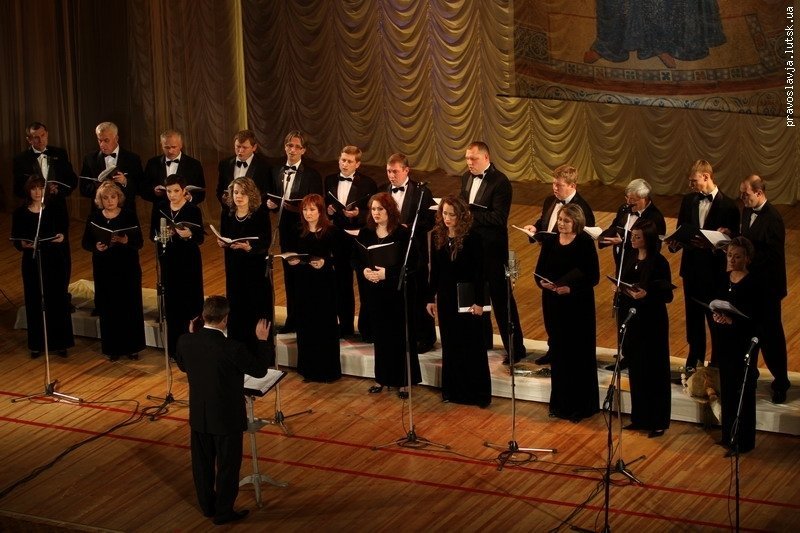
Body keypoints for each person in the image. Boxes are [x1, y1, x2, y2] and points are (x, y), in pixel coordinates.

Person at [175, 295, 272, 525]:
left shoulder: (185, 341)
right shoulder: (232, 348)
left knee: (202, 466)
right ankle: (223, 512)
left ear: (203, 316)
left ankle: (207, 507)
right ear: (225, 319)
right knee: (227, 467)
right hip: (227, 418)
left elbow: (183, 365)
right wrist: (262, 341)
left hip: (200, 416)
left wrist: (191, 335)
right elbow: (259, 370)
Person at [667, 160, 739, 372]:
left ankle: (717, 363)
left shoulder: (729, 206)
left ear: (706, 177)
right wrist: (675, 243)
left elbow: (735, 243)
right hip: (691, 270)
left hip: (715, 272)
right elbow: (681, 229)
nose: (690, 185)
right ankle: (694, 359)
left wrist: (717, 243)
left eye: (693, 181)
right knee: (693, 319)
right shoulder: (688, 200)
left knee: (715, 318)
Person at [459, 141, 526, 364]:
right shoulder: (466, 177)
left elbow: (498, 218)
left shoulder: (501, 182)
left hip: (492, 251)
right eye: (467, 159)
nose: (469, 163)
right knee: (476, 297)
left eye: (474, 159)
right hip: (471, 247)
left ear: (486, 158)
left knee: (501, 300)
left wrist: (469, 215)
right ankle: (481, 341)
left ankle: (515, 348)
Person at [523, 163, 595, 365]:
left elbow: (586, 254)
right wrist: (535, 228)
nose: (554, 188)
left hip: (570, 271)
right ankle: (553, 349)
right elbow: (544, 222)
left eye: (559, 185)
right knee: (551, 317)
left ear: (572, 185)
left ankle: (567, 354)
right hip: (551, 262)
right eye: (553, 184)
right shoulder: (550, 201)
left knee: (570, 324)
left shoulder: (583, 209)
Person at [534, 203, 600, 422]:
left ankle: (581, 407)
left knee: (578, 355)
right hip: (554, 303)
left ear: (576, 222)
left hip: (578, 307)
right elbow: (539, 271)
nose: (561, 224)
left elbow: (593, 277)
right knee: (559, 354)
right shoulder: (550, 241)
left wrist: (571, 288)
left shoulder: (584, 243)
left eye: (566, 221)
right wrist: (542, 283)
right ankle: (560, 404)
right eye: (560, 219)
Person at [353, 192, 420, 398]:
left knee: (399, 337)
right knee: (380, 337)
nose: (376, 213)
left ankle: (404, 381)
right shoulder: (366, 232)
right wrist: (364, 271)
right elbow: (357, 259)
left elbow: (413, 264)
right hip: (375, 291)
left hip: (396, 292)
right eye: (373, 209)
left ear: (389, 210)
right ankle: (381, 378)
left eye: (380, 209)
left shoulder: (402, 234)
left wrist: (387, 273)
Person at [426, 196, 491, 407]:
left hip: (467, 298)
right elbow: (435, 271)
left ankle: (477, 394)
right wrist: (430, 297)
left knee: (472, 345)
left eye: (452, 214)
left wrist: (480, 302)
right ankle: (453, 391)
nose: (447, 218)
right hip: (446, 298)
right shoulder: (438, 235)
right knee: (451, 345)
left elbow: (480, 273)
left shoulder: (474, 238)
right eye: (444, 213)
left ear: (461, 216)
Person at [616, 220, 674, 438]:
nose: (632, 239)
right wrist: (619, 287)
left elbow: (667, 295)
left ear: (648, 239)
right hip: (633, 319)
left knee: (655, 371)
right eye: (632, 235)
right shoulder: (629, 257)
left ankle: (658, 421)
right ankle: (640, 417)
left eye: (637, 236)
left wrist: (647, 294)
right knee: (637, 370)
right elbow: (624, 280)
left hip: (652, 322)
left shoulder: (659, 262)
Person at [739, 175, 790, 404]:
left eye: (746, 194)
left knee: (771, 338)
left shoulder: (773, 218)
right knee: (748, 334)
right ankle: (750, 376)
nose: (742, 198)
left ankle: (781, 383)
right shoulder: (746, 211)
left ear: (759, 193)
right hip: (749, 286)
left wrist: (746, 260)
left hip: (768, 288)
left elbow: (773, 257)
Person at [265, 131, 323, 334]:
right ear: (285, 147)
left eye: (297, 147)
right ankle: (292, 319)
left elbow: (317, 203)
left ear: (303, 150)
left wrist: (299, 208)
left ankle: (309, 318)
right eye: (289, 145)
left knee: (306, 275)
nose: (292, 150)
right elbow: (272, 197)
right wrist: (272, 204)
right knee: (290, 275)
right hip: (286, 230)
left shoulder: (312, 174)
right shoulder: (276, 171)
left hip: (306, 230)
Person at [11, 176, 74, 358]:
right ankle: (37, 344)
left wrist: (61, 238)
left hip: (54, 259)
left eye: (40, 188)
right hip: (32, 260)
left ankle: (60, 343)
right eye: (34, 188)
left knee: (57, 299)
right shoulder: (20, 213)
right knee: (34, 301)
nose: (37, 192)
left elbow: (63, 231)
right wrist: (23, 244)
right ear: (28, 190)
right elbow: (16, 238)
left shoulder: (55, 209)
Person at [81, 181, 145, 361]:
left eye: (113, 197)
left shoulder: (129, 215)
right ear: (100, 200)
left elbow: (139, 242)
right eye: (105, 198)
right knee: (109, 308)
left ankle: (133, 348)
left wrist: (126, 241)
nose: (110, 201)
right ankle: (113, 348)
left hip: (127, 268)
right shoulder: (94, 217)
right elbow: (85, 242)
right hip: (104, 268)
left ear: (119, 198)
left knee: (130, 306)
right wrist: (96, 246)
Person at [383, 153, 436, 353]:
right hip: (393, 253)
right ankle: (402, 335)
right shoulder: (384, 190)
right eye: (389, 171)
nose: (391, 175)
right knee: (397, 297)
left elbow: (430, 220)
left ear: (406, 170)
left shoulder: (422, 192)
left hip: (416, 253)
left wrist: (409, 227)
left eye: (395, 171)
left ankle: (425, 337)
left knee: (420, 295)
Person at [711, 237, 760, 454]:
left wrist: (734, 321)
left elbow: (758, 319)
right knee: (728, 389)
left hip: (744, 344)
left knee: (743, 392)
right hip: (725, 342)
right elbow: (716, 302)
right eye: (729, 255)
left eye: (737, 256)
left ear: (747, 259)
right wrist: (716, 315)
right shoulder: (723, 279)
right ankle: (728, 435)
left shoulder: (754, 283)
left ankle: (743, 440)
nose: (731, 260)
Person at [284, 194, 341, 382]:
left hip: (324, 284)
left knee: (323, 326)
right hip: (303, 282)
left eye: (312, 209)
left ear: (320, 211)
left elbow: (340, 258)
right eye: (305, 209)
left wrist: (325, 262)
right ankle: (308, 370)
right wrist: (292, 260)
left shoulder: (331, 231)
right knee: (306, 325)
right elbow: (292, 253)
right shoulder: (297, 230)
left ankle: (327, 371)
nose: (308, 213)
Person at [324, 145, 377, 340]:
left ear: (358, 164)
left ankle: (367, 328)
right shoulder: (330, 180)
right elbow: (325, 203)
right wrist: (328, 210)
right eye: (343, 160)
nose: (345, 164)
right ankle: (345, 326)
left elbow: (372, 211)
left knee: (364, 283)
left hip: (360, 238)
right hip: (339, 237)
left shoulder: (368, 183)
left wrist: (358, 214)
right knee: (341, 283)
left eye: (349, 161)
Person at [150, 175, 205, 356]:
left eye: (176, 191)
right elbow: (152, 234)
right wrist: (162, 235)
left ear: (183, 191)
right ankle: (175, 349)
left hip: (188, 260)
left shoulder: (192, 210)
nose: (172, 195)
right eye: (169, 191)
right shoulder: (160, 208)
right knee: (172, 303)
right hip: (168, 259)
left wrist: (189, 234)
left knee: (190, 301)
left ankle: (193, 349)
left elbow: (200, 238)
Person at [217, 177, 273, 355]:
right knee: (236, 307)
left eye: (243, 193)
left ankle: (259, 352)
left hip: (255, 270)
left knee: (255, 307)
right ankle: (238, 352)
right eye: (235, 192)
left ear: (251, 194)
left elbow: (265, 242)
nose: (239, 196)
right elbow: (225, 236)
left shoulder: (260, 214)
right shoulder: (227, 214)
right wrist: (223, 242)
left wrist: (249, 247)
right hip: (235, 268)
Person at [599, 178, 666, 268]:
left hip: (639, 265)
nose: (628, 202)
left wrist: (623, 242)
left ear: (644, 198)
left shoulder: (655, 218)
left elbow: (653, 247)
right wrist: (602, 237)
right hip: (620, 259)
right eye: (627, 198)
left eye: (633, 199)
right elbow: (614, 227)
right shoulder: (624, 209)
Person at [80, 121, 144, 214]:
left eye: (106, 140)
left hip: (126, 213)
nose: (102, 145)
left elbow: (141, 188)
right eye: (99, 140)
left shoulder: (133, 159)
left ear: (116, 138)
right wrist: (99, 187)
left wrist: (125, 182)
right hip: (99, 214)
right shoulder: (89, 159)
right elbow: (83, 189)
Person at [142, 129, 206, 210]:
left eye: (174, 147)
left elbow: (201, 193)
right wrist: (154, 192)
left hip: (186, 212)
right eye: (167, 147)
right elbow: (143, 190)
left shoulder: (194, 164)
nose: (170, 151)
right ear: (161, 145)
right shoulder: (152, 163)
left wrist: (190, 198)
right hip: (160, 212)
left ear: (181, 145)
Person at [216, 129, 271, 209]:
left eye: (245, 147)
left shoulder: (264, 166)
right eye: (238, 146)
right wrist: (225, 201)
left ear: (254, 147)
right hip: (229, 213)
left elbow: (266, 193)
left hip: (254, 213)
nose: (240, 151)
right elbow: (219, 190)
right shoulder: (224, 164)